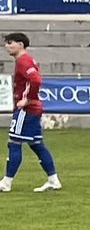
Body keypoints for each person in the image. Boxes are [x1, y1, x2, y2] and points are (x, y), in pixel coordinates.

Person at [4, 33, 59, 194]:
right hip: (34, 109)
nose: (7, 46)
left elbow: (35, 80)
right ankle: (53, 180)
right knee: (37, 145)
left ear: (20, 44)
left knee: (14, 142)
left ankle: (6, 182)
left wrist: (27, 100)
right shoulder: (24, 60)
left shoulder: (24, 61)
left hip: (27, 110)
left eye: (10, 43)